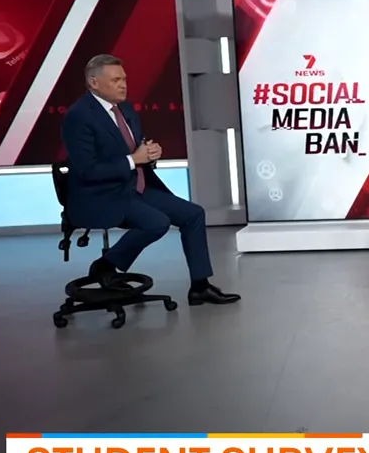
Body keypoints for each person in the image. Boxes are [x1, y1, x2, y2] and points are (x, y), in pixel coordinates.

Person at [62, 54, 239, 305]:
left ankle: (200, 286)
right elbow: (88, 170)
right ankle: (105, 265)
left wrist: (150, 154)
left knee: (193, 214)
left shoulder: (126, 108)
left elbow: (136, 149)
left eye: (124, 79)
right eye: (115, 80)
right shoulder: (79, 117)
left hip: (136, 186)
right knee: (157, 222)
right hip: (102, 194)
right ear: (94, 82)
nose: (123, 84)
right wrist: (134, 159)